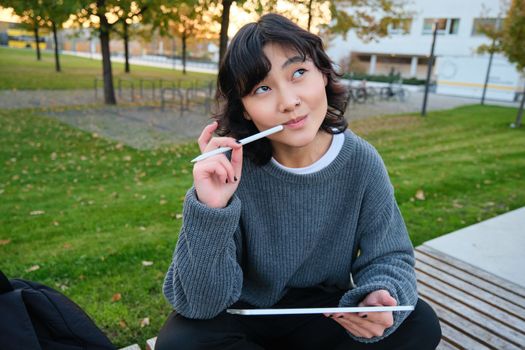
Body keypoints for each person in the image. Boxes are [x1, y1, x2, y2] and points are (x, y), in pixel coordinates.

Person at [156, 13, 441, 350]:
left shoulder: (362, 162)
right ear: (245, 108)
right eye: (262, 88)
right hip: (244, 316)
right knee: (180, 342)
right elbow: (201, 304)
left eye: (299, 73)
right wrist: (212, 208)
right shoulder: (229, 172)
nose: (288, 102)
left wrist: (381, 296)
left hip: (324, 315)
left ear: (323, 73)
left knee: (419, 322)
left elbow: (390, 256)